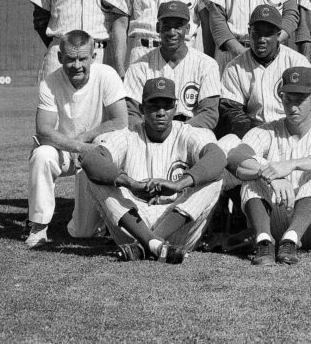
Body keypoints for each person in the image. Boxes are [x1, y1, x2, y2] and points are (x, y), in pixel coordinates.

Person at [80, 77, 227, 262]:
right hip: (134, 222)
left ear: (175, 108)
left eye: (167, 106)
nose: (161, 112)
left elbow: (218, 157)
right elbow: (91, 159)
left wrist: (178, 184)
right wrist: (130, 183)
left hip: (178, 222)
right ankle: (154, 245)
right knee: (96, 181)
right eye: (153, 106)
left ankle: (144, 246)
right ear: (142, 109)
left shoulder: (187, 133)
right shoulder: (128, 135)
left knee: (216, 177)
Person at [227, 66, 311, 265]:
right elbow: (236, 157)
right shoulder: (267, 130)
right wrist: (269, 174)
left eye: (300, 100)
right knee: (253, 176)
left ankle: (292, 239)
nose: (293, 107)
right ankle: (264, 242)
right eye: (288, 99)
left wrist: (292, 165)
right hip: (274, 220)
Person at [25, 31, 128, 248]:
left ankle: (100, 220)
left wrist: (86, 141)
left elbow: (120, 121)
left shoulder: (107, 75)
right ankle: (38, 226)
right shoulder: (49, 83)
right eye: (71, 59)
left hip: (94, 152)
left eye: (82, 58)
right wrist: (78, 146)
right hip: (65, 149)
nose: (77, 65)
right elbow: (43, 131)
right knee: (42, 155)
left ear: (94, 57)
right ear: (61, 57)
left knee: (83, 233)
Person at [122, 1, 220, 131]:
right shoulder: (138, 67)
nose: (171, 32)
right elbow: (131, 114)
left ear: (188, 29)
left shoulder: (207, 64)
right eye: (166, 26)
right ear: (158, 27)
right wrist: (151, 134)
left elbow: (209, 114)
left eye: (178, 26)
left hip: (191, 131)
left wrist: (175, 133)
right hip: (150, 132)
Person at [218, 5, 311, 139]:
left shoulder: (297, 62)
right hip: (253, 133)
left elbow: (306, 109)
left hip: (291, 133)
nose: (261, 39)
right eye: (257, 32)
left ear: (278, 35)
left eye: (268, 33)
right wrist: (258, 135)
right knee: (227, 143)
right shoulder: (235, 67)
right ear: (249, 32)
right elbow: (232, 112)